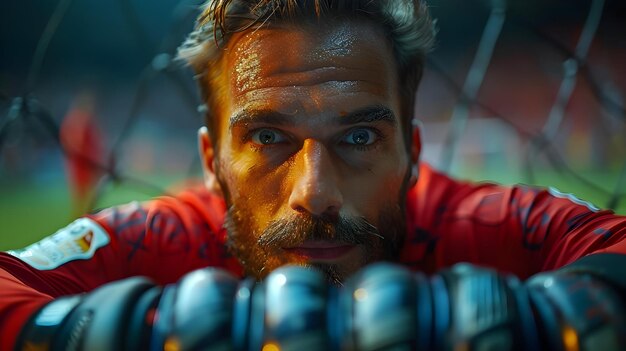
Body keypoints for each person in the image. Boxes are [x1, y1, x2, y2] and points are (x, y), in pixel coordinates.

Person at [1, 1, 625, 350]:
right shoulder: (167, 236)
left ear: (410, 154)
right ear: (211, 163)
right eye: (268, 138)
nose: (316, 194)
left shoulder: (482, 223)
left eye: (358, 137)